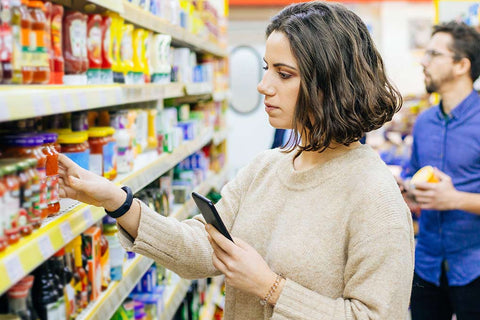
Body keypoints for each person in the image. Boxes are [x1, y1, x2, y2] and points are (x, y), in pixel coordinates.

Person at [58, 2, 414, 319]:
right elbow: (201, 248)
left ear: (329, 83)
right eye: (266, 68)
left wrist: (270, 287)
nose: (263, 85)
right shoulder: (266, 168)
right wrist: (116, 201)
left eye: (283, 73)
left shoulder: (373, 194)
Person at [400, 21, 480, 320]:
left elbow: (451, 197)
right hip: (427, 265)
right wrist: (407, 189)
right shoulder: (425, 122)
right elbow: (415, 175)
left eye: (433, 54)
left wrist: (456, 199)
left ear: (461, 65)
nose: (424, 61)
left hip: (474, 266)